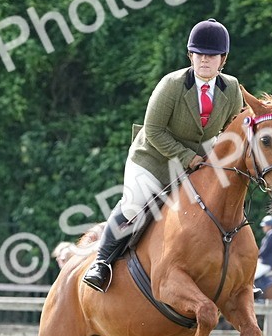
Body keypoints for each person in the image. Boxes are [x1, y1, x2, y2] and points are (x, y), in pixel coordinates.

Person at [83, 18, 245, 292]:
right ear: (190, 55)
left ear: (223, 59)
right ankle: (101, 262)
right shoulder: (171, 85)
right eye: (199, 54)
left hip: (197, 162)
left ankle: (236, 275)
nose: (204, 60)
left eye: (211, 55)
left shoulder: (231, 89)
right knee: (135, 204)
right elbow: (155, 131)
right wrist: (187, 157)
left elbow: (229, 133)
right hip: (154, 158)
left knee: (222, 206)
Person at [254, 215, 272, 288]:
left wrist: (255, 256)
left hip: (266, 263)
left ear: (270, 226)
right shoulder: (271, 234)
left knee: (252, 275)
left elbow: (265, 250)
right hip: (263, 261)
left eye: (265, 225)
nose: (263, 227)